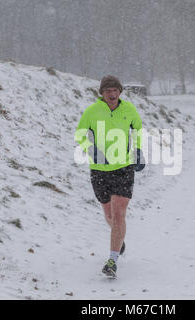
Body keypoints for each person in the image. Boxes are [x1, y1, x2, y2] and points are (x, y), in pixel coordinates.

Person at [74, 75, 145, 277]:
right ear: (102, 94)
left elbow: (138, 130)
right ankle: (119, 240)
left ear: (120, 92)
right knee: (110, 215)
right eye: (108, 91)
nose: (112, 94)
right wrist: (91, 149)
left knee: (119, 213)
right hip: (99, 170)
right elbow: (80, 134)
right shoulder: (91, 112)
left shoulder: (129, 109)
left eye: (115, 91)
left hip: (123, 168)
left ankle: (112, 260)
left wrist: (138, 150)